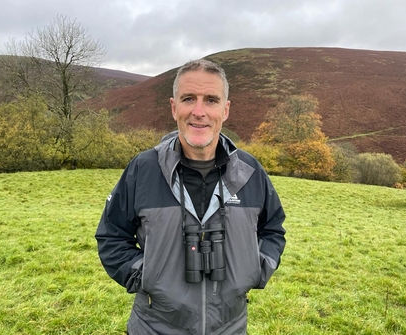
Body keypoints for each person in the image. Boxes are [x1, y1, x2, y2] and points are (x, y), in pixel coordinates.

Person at [95, 59, 286, 335]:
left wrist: (255, 269)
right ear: (174, 108)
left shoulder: (250, 171)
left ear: (226, 109)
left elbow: (273, 229)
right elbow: (111, 235)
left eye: (211, 100)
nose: (199, 111)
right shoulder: (144, 169)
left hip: (230, 328)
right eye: (188, 99)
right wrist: (144, 274)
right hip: (154, 327)